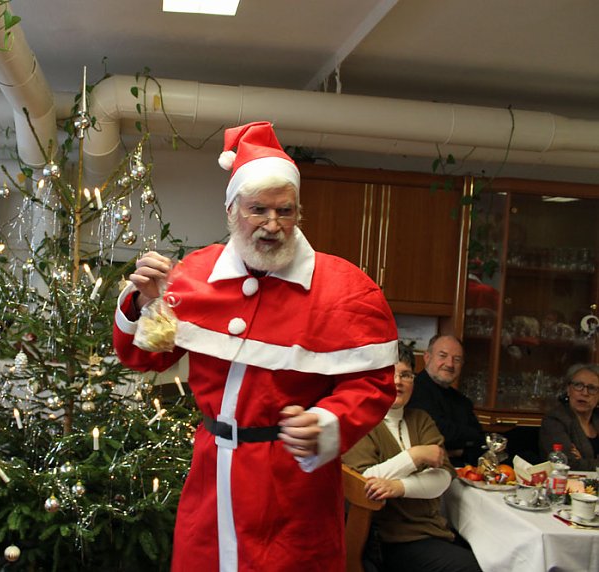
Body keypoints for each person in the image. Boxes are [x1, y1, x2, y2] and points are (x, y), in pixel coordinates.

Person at [113, 121, 399, 571]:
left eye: (284, 212)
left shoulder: (343, 289)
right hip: (212, 475)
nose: (272, 225)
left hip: (291, 483)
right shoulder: (197, 273)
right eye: (258, 210)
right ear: (232, 211)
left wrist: (329, 421)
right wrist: (140, 303)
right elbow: (145, 357)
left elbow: (374, 383)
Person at [343, 342, 482, 572]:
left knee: (488, 557)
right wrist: (415, 455)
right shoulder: (361, 422)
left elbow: (444, 478)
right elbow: (364, 483)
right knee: (469, 567)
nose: (397, 381)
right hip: (388, 540)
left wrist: (397, 487)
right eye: (390, 373)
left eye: (406, 375)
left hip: (432, 532)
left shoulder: (421, 419)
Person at [407, 335, 484, 466]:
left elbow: (479, 439)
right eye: (443, 356)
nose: (450, 364)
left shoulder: (462, 401)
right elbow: (436, 434)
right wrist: (466, 444)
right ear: (427, 358)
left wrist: (459, 450)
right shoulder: (413, 389)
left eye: (457, 359)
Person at [539, 363, 599, 471]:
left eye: (592, 388)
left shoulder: (597, 418)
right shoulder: (556, 419)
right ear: (568, 389)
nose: (585, 393)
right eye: (578, 385)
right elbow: (567, 464)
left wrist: (584, 460)